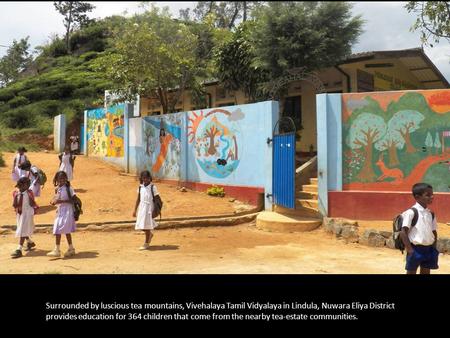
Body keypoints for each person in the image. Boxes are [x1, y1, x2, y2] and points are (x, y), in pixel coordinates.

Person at [400, 182, 439, 274]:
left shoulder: (431, 214)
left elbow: (434, 231)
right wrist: (410, 250)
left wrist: (433, 247)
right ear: (417, 197)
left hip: (429, 249)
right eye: (428, 195)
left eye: (432, 194)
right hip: (415, 249)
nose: (432, 197)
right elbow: (403, 232)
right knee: (411, 272)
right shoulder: (411, 212)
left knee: (426, 271)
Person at [47, 171, 76, 258]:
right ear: (56, 179)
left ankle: (68, 249)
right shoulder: (57, 189)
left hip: (67, 211)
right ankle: (59, 249)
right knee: (57, 228)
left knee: (65, 230)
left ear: (66, 179)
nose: (62, 180)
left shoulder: (69, 188)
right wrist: (53, 201)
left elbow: (73, 200)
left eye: (63, 178)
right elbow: (56, 198)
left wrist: (61, 201)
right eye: (60, 179)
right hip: (60, 211)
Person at [11, 177, 38, 258]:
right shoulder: (16, 193)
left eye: (23, 185)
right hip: (20, 214)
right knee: (22, 228)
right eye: (19, 186)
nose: (21, 187)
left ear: (27, 185)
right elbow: (15, 203)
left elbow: (32, 202)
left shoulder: (29, 193)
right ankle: (30, 242)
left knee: (22, 229)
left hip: (27, 214)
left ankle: (19, 249)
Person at [132, 171, 159, 250]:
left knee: (146, 226)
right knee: (141, 225)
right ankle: (150, 235)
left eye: (147, 178)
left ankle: (146, 243)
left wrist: (155, 210)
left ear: (149, 178)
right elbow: (138, 199)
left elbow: (157, 199)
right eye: (144, 178)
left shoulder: (152, 187)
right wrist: (135, 210)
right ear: (141, 178)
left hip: (149, 208)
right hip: (142, 208)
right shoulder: (141, 187)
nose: (145, 180)